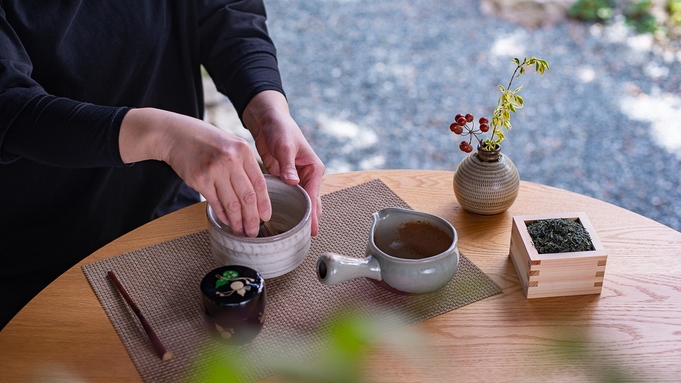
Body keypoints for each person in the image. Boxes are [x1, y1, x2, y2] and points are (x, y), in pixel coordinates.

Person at [0, 0, 324, 330]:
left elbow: (225, 10)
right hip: (33, 253)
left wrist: (267, 108)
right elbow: (8, 104)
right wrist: (163, 137)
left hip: (165, 212)